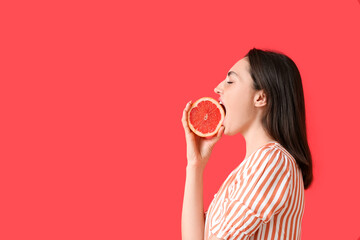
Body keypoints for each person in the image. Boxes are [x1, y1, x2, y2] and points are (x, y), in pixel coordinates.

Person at [181, 48, 313, 240]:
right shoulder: (251, 169)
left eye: (230, 81)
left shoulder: (273, 161)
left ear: (260, 97)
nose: (218, 88)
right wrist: (195, 165)